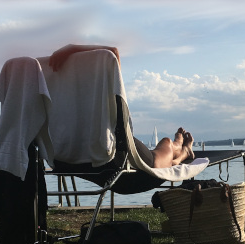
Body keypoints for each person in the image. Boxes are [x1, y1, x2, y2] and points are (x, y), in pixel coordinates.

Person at [49, 44, 194, 168]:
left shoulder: (58, 105)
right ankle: (181, 147)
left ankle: (180, 151)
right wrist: (72, 48)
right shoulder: (103, 99)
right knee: (165, 146)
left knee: (164, 150)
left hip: (65, 159)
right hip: (118, 154)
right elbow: (112, 52)